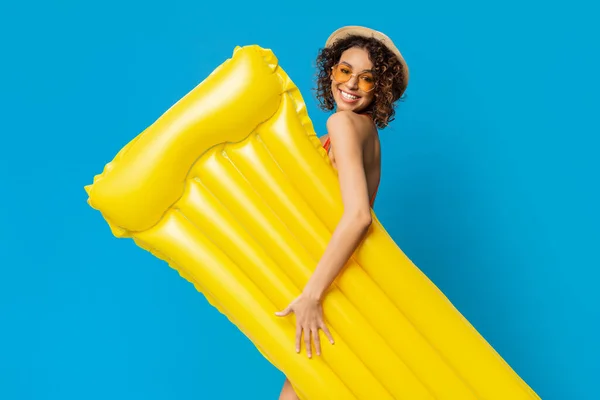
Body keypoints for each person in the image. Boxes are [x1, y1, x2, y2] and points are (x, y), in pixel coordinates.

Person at [275, 26, 409, 400]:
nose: (352, 83)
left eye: (367, 78)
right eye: (344, 71)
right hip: (345, 282)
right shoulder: (355, 133)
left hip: (334, 288)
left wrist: (313, 295)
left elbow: (358, 217)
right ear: (330, 72)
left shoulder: (344, 124)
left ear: (379, 89)